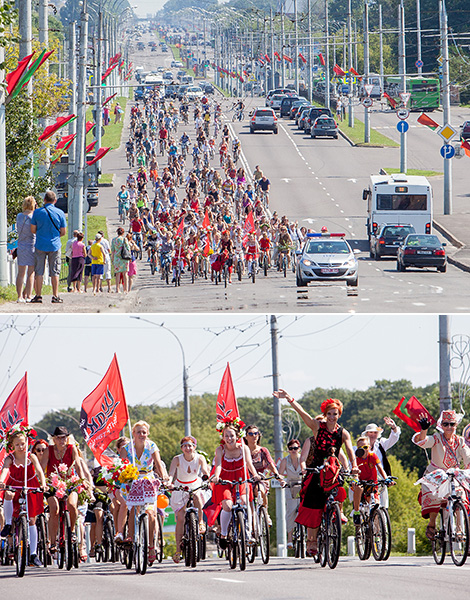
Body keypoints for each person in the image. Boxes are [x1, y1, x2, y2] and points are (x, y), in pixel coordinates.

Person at [273, 390, 358, 555]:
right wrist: (289, 398)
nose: (332, 417)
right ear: (325, 415)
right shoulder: (318, 427)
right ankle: (312, 540)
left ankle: (337, 511)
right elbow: (303, 413)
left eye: (335, 414)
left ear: (339, 415)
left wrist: (354, 466)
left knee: (340, 489)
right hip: (317, 470)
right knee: (313, 505)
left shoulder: (343, 433)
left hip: (333, 469)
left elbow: (349, 451)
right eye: (329, 414)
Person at [413, 409, 470, 540]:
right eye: (445, 424)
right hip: (436, 475)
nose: (449, 427)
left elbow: (467, 455)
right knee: (434, 496)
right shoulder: (437, 438)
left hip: (453, 475)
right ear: (441, 425)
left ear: (456, 425)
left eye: (452, 424)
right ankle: (432, 524)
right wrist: (424, 430)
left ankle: (460, 529)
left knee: (460, 496)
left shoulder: (460, 441)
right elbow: (422, 442)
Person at [118, 421, 169, 565]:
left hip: (148, 479)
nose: (142, 435)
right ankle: (131, 536)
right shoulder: (127, 448)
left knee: (151, 513)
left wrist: (164, 475)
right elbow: (120, 465)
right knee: (134, 507)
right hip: (132, 479)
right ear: (133, 433)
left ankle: (152, 546)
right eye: (139, 432)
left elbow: (158, 463)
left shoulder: (151, 446)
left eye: (144, 432)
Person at [39, 426, 89, 555]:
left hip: (70, 482)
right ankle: (53, 541)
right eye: (59, 438)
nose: (62, 441)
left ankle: (71, 531)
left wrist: (83, 479)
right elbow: (42, 467)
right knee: (54, 508)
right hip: (52, 483)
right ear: (54, 439)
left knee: (72, 505)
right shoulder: (48, 451)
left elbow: (78, 465)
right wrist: (42, 483)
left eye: (64, 438)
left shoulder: (72, 449)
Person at [0, 429, 46, 567]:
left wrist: (43, 484)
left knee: (32, 519)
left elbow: (39, 471)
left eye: (23, 443)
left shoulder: (31, 457)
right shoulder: (10, 458)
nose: (21, 447)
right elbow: (5, 470)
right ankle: (8, 523)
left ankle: (33, 553)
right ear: (12, 445)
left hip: (30, 484)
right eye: (18, 444)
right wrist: (2, 481)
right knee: (8, 494)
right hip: (14, 484)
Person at [211, 420, 260, 548]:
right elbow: (218, 466)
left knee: (244, 501)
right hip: (225, 481)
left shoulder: (243, 448)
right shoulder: (220, 449)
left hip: (240, 479)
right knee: (227, 505)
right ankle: (224, 533)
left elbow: (249, 464)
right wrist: (216, 476)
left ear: (237, 436)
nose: (229, 438)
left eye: (232, 435)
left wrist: (255, 475)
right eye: (226, 436)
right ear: (223, 437)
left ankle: (247, 531)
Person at [168, 436, 211, 563]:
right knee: (180, 517)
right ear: (181, 448)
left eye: (190, 445)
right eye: (185, 446)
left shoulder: (199, 458)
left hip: (195, 483)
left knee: (197, 496)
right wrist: (169, 483)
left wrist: (206, 477)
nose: (188, 448)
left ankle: (201, 522)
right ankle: (178, 550)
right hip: (180, 485)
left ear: (194, 447)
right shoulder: (177, 459)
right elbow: (171, 473)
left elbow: (204, 470)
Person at [30, 190, 67, 304]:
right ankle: (55, 296)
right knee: (55, 271)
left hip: (40, 244)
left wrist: (42, 233)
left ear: (44, 200)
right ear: (55, 201)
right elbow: (63, 232)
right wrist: (54, 236)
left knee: (39, 271)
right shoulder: (60, 213)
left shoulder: (37, 213)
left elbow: (33, 230)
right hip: (55, 245)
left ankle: (38, 295)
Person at [243, 424, 281, 523]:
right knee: (246, 499)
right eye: (250, 434)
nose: (254, 436)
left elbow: (270, 463)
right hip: (246, 479)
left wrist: (277, 475)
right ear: (246, 436)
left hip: (260, 478)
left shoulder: (262, 450)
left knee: (260, 490)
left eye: (256, 433)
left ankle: (266, 513)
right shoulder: (242, 451)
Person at [361, 419, 400, 507]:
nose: (373, 435)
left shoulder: (381, 444)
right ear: (366, 434)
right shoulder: (360, 446)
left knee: (382, 504)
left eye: (375, 433)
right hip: (366, 477)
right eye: (370, 433)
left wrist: (393, 427)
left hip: (380, 477)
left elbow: (393, 439)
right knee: (366, 504)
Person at [351, 436, 389, 525]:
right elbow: (355, 473)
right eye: (360, 448)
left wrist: (386, 479)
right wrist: (355, 480)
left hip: (372, 484)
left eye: (365, 447)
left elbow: (380, 468)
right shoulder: (356, 459)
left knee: (376, 505)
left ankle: (377, 534)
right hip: (361, 483)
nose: (363, 450)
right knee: (358, 488)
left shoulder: (372, 456)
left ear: (369, 447)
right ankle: (356, 512)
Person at [278, 439, 302, 548]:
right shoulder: (285, 461)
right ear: (288, 450)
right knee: (291, 511)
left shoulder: (303, 459)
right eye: (291, 448)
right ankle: (290, 538)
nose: (293, 450)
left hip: (303, 485)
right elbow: (280, 474)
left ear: (299, 449)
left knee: (307, 508)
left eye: (295, 448)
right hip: (290, 485)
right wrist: (282, 481)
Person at [15, 196, 36, 303]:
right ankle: (28, 295)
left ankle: (19, 296)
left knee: (21, 272)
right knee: (31, 272)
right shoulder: (33, 217)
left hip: (21, 245)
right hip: (31, 245)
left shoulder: (19, 216)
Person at [111, 227, 130, 293]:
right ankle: (125, 289)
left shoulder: (114, 240)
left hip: (117, 258)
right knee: (125, 274)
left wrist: (112, 259)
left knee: (117, 274)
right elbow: (128, 248)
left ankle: (117, 289)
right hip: (124, 258)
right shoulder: (124, 239)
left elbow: (112, 250)